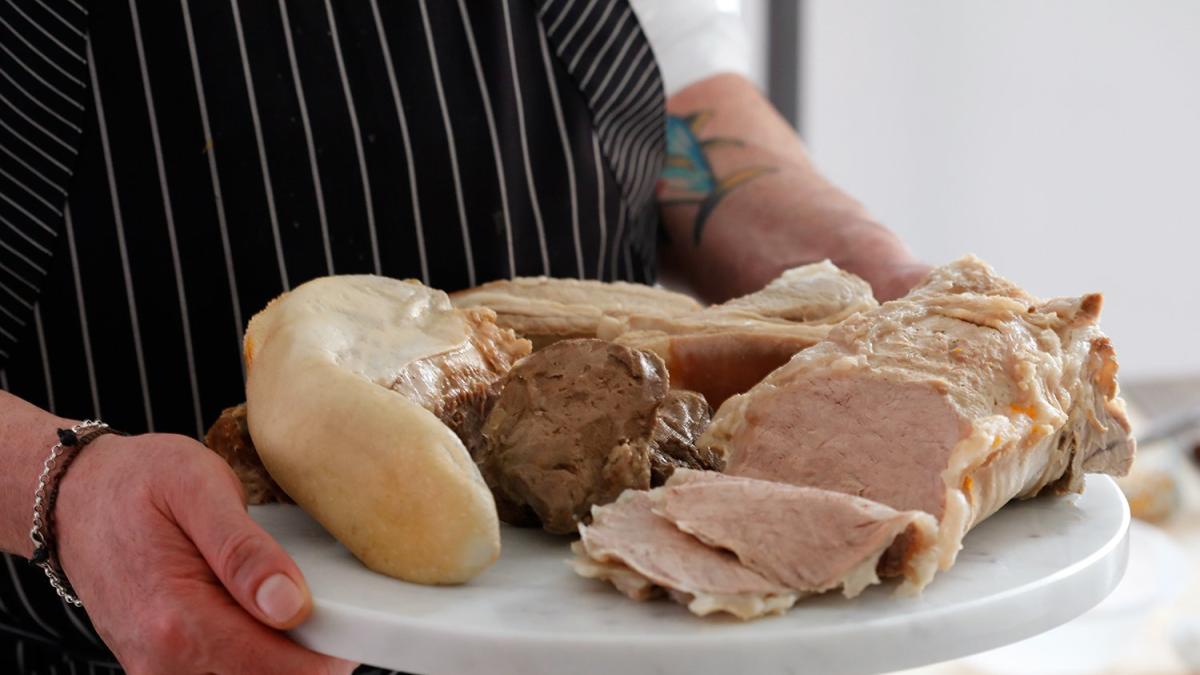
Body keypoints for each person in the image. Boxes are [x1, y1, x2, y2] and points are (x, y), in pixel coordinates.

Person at [0, 0, 928, 672]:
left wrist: (890, 292)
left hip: (605, 618)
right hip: (113, 637)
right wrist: (60, 488)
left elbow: (686, 112)